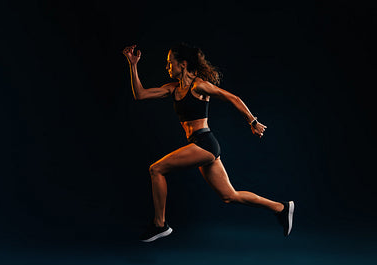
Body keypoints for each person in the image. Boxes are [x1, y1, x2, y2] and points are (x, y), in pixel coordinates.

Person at [122, 43, 294, 242]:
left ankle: (160, 224)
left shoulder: (199, 85)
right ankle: (281, 207)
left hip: (205, 143)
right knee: (230, 195)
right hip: (201, 145)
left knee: (156, 169)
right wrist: (133, 65)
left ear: (183, 65)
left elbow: (232, 97)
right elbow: (140, 94)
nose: (168, 67)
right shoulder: (172, 89)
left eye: (171, 63)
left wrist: (253, 121)